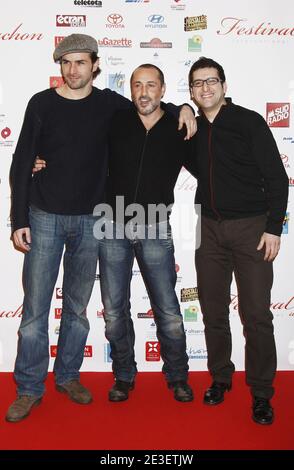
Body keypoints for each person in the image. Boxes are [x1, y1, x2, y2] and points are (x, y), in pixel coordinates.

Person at [6, 34, 196, 423]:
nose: (72, 69)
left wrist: (186, 106)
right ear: (59, 66)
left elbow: (152, 105)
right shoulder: (41, 104)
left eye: (80, 62)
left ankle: (69, 377)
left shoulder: (112, 105)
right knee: (35, 311)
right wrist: (19, 219)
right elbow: (22, 160)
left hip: (94, 220)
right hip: (44, 216)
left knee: (76, 309)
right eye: (66, 62)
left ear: (95, 66)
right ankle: (28, 387)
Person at [188, 57, 289, 425]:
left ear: (224, 85)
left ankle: (262, 393)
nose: (205, 88)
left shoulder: (249, 122)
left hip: (252, 228)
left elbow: (277, 179)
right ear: (193, 91)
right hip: (209, 230)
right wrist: (181, 110)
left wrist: (274, 227)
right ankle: (220, 377)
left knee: (257, 315)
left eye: (211, 81)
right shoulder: (193, 129)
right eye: (197, 84)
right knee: (214, 312)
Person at [95, 64, 196, 403]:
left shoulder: (178, 125)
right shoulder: (117, 119)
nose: (143, 92)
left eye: (151, 85)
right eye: (137, 85)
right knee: (113, 310)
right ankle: (124, 375)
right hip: (112, 222)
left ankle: (178, 376)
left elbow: (212, 136)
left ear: (163, 89)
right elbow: (79, 137)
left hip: (155, 223)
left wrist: (189, 107)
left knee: (167, 307)